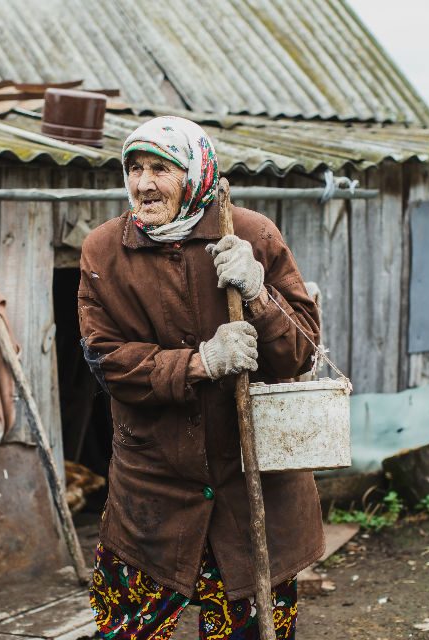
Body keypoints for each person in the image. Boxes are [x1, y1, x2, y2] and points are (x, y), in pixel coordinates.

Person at [78, 116, 324, 640]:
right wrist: (201, 362)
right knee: (126, 632)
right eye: (134, 169)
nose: (143, 184)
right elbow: (107, 361)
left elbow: (300, 353)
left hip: (252, 486)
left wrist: (259, 296)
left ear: (195, 173)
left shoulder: (251, 234)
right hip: (154, 492)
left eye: (160, 169)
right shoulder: (103, 251)